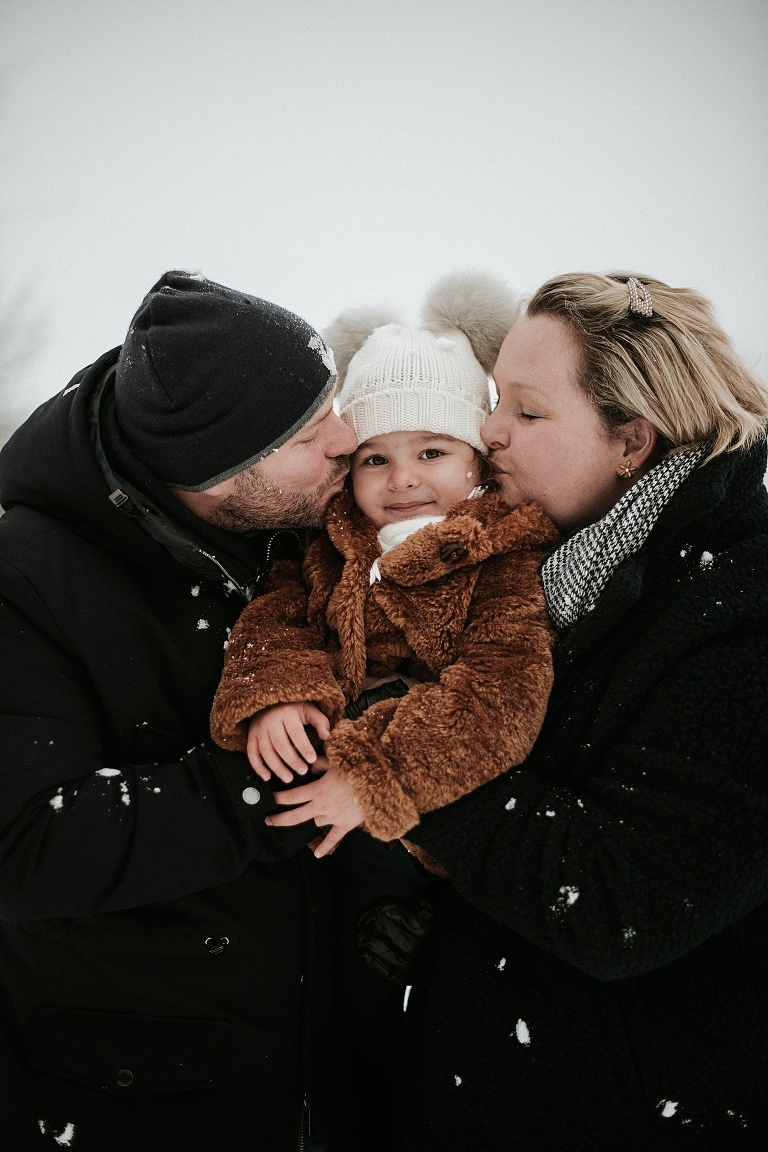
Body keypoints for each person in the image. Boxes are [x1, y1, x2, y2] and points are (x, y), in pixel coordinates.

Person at [0, 270, 430, 1152]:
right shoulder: (28, 580)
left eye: (332, 405)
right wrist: (280, 782)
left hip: (327, 1085)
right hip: (138, 1102)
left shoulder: (308, 533)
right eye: (308, 434)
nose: (347, 438)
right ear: (212, 472)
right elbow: (26, 845)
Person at [355, 271, 768, 1152]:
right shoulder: (559, 580)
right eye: (496, 399)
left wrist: (410, 749)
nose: (489, 430)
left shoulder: (739, 611)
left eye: (528, 411)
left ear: (631, 441)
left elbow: (622, 900)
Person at [210, 272, 558, 859]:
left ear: (477, 458)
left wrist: (376, 772)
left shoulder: (500, 555)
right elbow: (277, 618)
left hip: (426, 804)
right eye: (375, 459)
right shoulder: (330, 542)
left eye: (432, 452)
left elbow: (503, 693)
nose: (402, 479)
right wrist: (278, 693)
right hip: (316, 792)